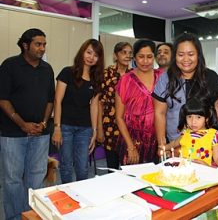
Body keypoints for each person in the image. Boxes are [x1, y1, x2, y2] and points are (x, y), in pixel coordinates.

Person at [0, 28, 55, 220]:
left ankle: (31, 215)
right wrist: (23, 124)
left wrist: (44, 122)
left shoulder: (47, 69)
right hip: (12, 133)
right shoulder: (9, 65)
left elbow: (50, 100)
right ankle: (15, 217)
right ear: (25, 45)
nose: (42, 48)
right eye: (38, 44)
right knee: (12, 179)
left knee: (36, 176)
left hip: (40, 133)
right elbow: (3, 99)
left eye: (44, 44)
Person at [153, 32, 218, 148]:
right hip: (173, 141)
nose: (186, 59)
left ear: (198, 55)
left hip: (204, 144)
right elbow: (160, 113)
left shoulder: (211, 78)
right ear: (175, 56)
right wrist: (162, 144)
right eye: (180, 54)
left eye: (191, 54)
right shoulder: (166, 78)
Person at [51, 39, 104, 183]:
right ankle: (67, 198)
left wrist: (94, 131)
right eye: (88, 52)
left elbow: (94, 106)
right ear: (82, 52)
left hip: (85, 129)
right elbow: (58, 101)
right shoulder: (67, 72)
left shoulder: (97, 79)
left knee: (83, 168)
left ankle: (81, 198)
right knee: (66, 166)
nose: (91, 57)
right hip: (65, 126)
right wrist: (57, 127)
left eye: (95, 55)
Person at [115, 39, 163, 165]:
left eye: (149, 57)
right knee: (132, 182)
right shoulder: (125, 80)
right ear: (134, 58)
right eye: (141, 57)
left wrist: (164, 144)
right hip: (132, 141)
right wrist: (130, 147)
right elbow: (119, 117)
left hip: (158, 142)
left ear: (155, 57)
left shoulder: (163, 78)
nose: (145, 61)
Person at [97, 42, 133, 170]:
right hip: (109, 126)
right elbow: (100, 103)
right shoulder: (106, 74)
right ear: (115, 55)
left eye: (130, 53)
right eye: (124, 52)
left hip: (129, 128)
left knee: (128, 168)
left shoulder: (134, 75)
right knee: (112, 168)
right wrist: (99, 129)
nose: (127, 56)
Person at [163, 97, 218, 166]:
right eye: (189, 117)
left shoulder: (214, 135)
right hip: (182, 171)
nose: (193, 121)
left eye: (198, 117)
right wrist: (163, 147)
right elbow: (174, 143)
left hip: (203, 172)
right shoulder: (185, 132)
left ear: (207, 118)